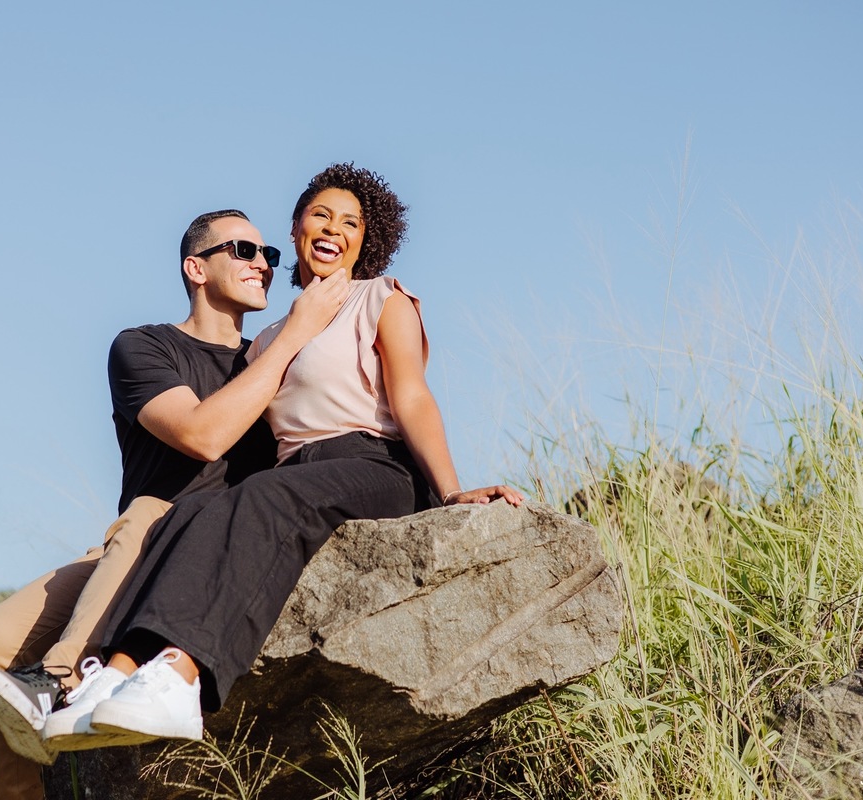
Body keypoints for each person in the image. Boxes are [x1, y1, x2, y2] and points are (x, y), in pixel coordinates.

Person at [42, 163, 523, 749]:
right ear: (295, 231)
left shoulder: (381, 298)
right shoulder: (270, 340)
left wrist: (450, 491)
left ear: (364, 240)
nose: (333, 229)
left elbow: (414, 397)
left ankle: (178, 680)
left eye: (350, 222)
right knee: (195, 512)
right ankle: (111, 680)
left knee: (264, 496)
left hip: (375, 463)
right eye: (320, 215)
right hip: (298, 473)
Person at [0, 208, 349, 800]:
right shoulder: (144, 346)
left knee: (151, 513)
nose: (263, 265)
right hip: (132, 546)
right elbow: (202, 434)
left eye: (269, 255)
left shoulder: (278, 357)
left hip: (215, 546)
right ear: (196, 267)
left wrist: (450, 490)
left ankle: (62, 676)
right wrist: (295, 335)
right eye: (243, 250)